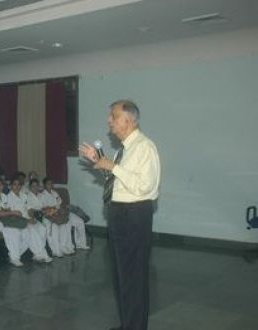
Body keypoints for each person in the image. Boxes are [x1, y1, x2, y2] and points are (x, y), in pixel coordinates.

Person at [79, 100, 161, 330]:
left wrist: (112, 167)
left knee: (134, 278)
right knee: (122, 277)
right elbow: (119, 184)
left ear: (128, 120)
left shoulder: (145, 147)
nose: (109, 121)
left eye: (113, 117)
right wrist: (101, 163)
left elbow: (146, 187)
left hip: (134, 216)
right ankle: (128, 324)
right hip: (119, 215)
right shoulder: (123, 149)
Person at [0, 177, 30, 267]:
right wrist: (13, 212)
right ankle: (15, 258)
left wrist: (14, 215)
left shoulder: (4, 196)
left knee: (26, 231)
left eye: (0, 185)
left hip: (7, 221)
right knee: (13, 232)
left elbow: (7, 210)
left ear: (3, 186)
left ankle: (14, 255)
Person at [6, 178, 52, 263]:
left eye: (19, 184)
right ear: (10, 186)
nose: (17, 186)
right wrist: (27, 220)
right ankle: (42, 254)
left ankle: (36, 255)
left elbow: (29, 209)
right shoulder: (8, 197)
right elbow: (11, 214)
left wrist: (32, 217)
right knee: (32, 231)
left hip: (28, 218)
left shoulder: (23, 195)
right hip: (19, 221)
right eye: (14, 184)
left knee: (42, 228)